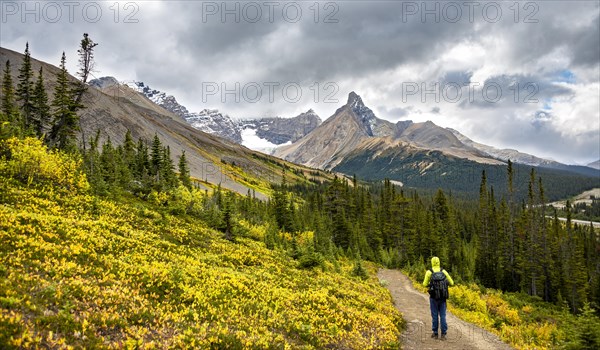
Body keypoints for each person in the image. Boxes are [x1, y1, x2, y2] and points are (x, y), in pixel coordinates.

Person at [422, 256, 454, 340]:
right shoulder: (443, 271)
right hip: (443, 297)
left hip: (433, 297)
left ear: (432, 262)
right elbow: (452, 282)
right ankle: (443, 334)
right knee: (443, 315)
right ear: (439, 262)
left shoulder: (429, 272)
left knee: (435, 315)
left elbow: (424, 284)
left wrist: (430, 283)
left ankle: (435, 333)